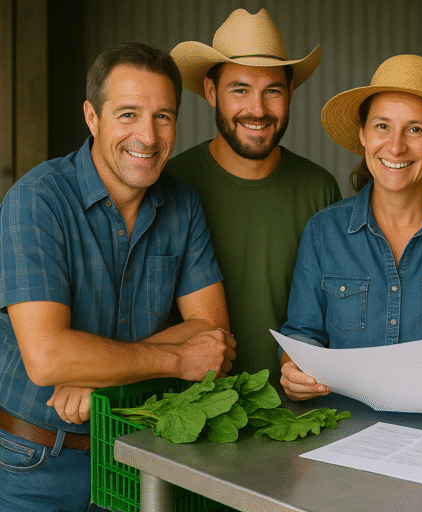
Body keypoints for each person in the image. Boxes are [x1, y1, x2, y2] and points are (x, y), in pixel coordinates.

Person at [0, 43, 235, 511]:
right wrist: (176, 360)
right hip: (35, 462)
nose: (147, 137)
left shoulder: (182, 205)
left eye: (163, 116)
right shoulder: (37, 200)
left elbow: (213, 333)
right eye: (128, 114)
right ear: (92, 117)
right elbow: (47, 358)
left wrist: (98, 377)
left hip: (136, 458)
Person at [279, 54, 422, 401]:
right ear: (363, 135)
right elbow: (302, 336)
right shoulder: (324, 231)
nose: (396, 146)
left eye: (415, 129)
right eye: (382, 126)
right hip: (342, 427)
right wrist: (294, 374)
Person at [166, 8, 342, 388]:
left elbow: (334, 314)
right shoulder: (172, 183)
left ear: (290, 92)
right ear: (212, 92)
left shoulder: (320, 189)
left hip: (297, 409)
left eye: (272, 91)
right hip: (190, 408)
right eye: (240, 90)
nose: (258, 110)